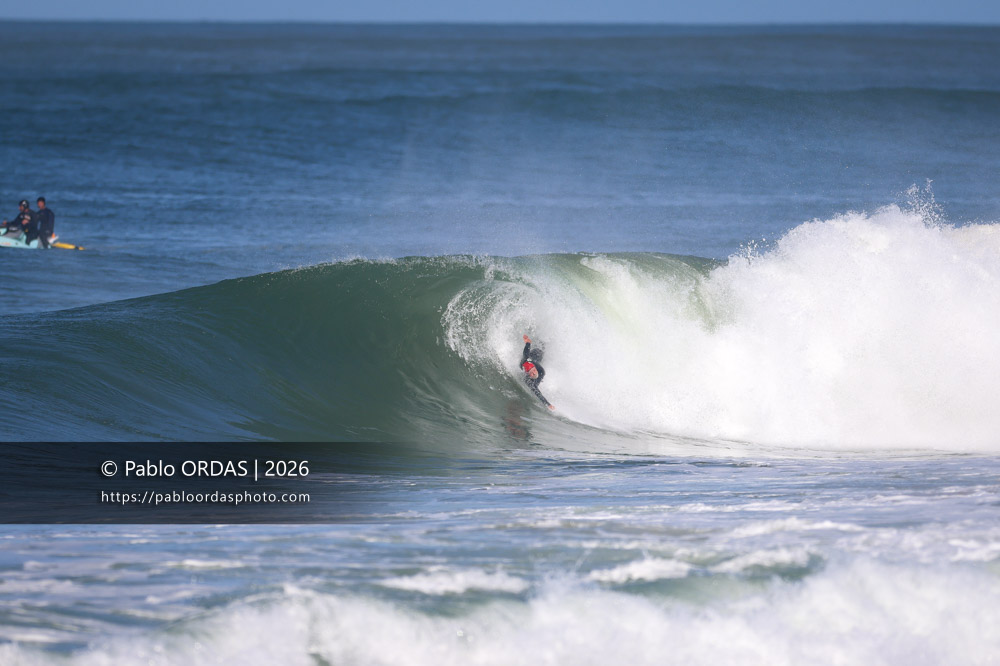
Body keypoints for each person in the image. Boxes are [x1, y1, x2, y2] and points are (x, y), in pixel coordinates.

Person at [520, 334, 554, 410]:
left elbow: (537, 393)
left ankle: (535, 384)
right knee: (539, 349)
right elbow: (526, 353)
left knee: (534, 386)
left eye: (532, 373)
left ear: (530, 375)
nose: (533, 371)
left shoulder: (535, 374)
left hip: (536, 364)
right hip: (537, 353)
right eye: (534, 371)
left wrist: (548, 404)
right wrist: (528, 343)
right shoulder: (530, 361)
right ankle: (543, 340)